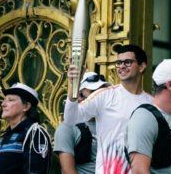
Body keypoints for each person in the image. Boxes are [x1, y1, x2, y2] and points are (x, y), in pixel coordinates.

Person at [64, 44, 153, 173]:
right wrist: (74, 85)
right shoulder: (105, 95)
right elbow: (70, 119)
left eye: (127, 62)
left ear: (142, 66)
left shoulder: (151, 103)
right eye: (118, 62)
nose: (121, 66)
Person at [0, 82, 52, 174]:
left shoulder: (35, 133)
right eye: (4, 100)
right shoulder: (3, 136)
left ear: (26, 106)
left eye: (10, 100)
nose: (3, 104)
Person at [54, 72, 111, 174]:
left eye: (102, 92)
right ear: (79, 96)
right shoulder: (67, 128)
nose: (99, 97)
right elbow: (68, 171)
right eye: (94, 92)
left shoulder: (110, 123)